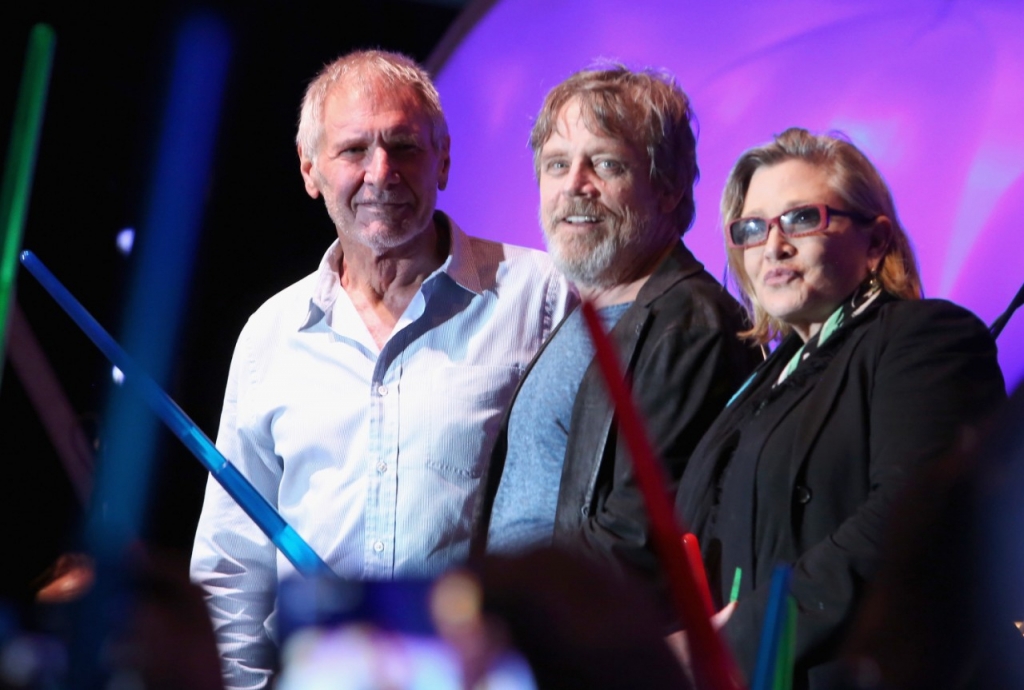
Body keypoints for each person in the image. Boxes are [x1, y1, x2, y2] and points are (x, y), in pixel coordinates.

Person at [190, 50, 575, 690]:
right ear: (309, 169)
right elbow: (233, 563)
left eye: (404, 146)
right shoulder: (271, 334)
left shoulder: (542, 299)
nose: (381, 172)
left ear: (445, 159)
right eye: (353, 150)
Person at [672, 127, 1006, 687]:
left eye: (801, 218)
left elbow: (912, 524)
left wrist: (745, 635)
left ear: (875, 242)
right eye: (752, 229)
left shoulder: (925, 339)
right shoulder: (765, 379)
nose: (772, 246)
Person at [472, 66, 760, 598]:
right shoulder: (581, 315)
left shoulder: (690, 325)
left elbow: (637, 538)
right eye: (557, 165)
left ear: (668, 187)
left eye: (605, 163)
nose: (574, 186)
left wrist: (514, 614)